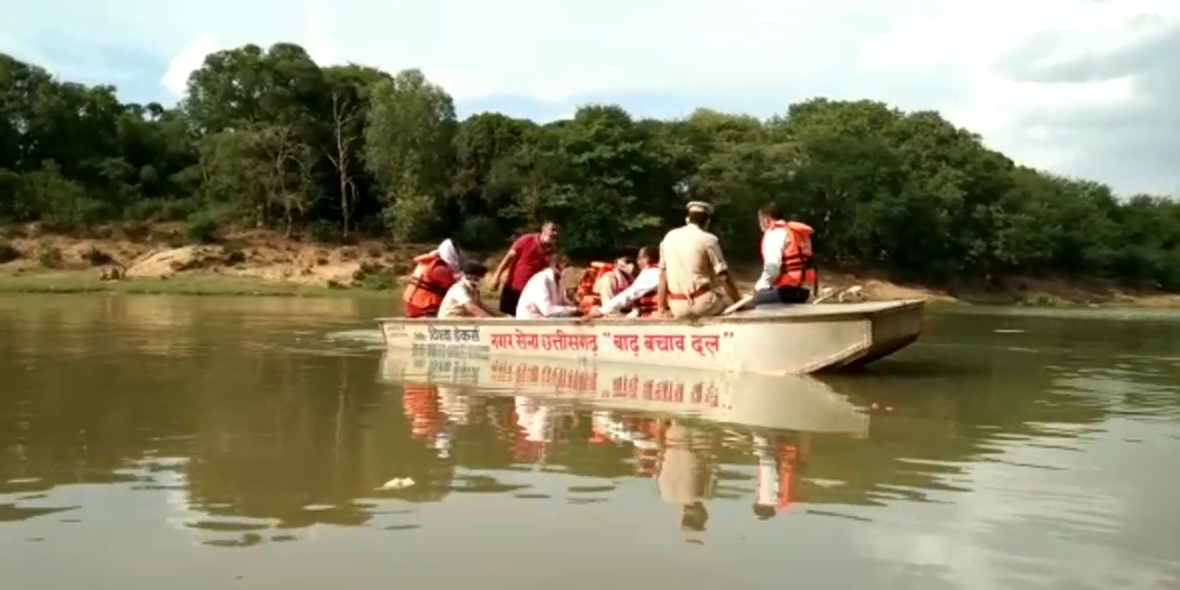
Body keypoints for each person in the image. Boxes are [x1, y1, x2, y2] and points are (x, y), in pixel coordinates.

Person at [655, 201, 742, 319]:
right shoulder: (709, 239)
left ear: (687, 219)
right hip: (703, 303)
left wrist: (661, 307)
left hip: (677, 306)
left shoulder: (669, 237)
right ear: (707, 222)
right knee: (730, 301)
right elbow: (723, 276)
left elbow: (663, 276)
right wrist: (738, 302)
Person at [752, 202, 817, 305]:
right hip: (804, 292)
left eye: (760, 220)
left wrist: (759, 287)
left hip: (786, 291)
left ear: (767, 219)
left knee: (755, 299)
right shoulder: (796, 233)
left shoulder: (774, 233)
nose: (760, 224)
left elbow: (772, 269)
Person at [490, 221, 559, 315]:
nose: (555, 233)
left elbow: (551, 271)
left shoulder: (552, 250)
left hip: (532, 293)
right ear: (544, 230)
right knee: (509, 319)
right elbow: (508, 258)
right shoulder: (526, 240)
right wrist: (496, 277)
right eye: (553, 230)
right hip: (515, 288)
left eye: (557, 231)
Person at [581, 246, 661, 319]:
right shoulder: (650, 272)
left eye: (639, 258)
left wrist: (603, 310)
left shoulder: (652, 273)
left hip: (649, 313)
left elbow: (631, 293)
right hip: (629, 308)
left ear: (647, 259)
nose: (637, 262)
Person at [402, 238, 463, 318]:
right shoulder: (439, 269)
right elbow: (456, 289)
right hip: (424, 308)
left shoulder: (427, 263)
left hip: (412, 304)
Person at [515, 251, 580, 319]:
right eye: (566, 266)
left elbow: (563, 303)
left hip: (544, 320)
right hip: (528, 322)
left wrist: (579, 307)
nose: (569, 269)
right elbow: (547, 310)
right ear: (556, 267)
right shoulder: (540, 280)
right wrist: (575, 310)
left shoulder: (560, 281)